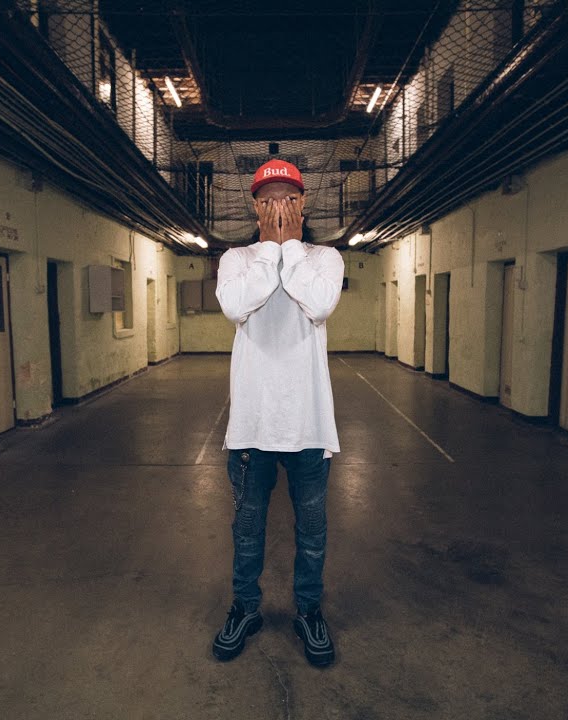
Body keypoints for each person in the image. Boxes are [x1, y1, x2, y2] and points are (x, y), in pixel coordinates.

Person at [210, 159, 344, 668]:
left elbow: (319, 304)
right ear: (254, 208)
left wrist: (289, 247)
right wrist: (269, 247)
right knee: (247, 530)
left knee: (312, 531)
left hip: (308, 425)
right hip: (252, 427)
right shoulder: (237, 259)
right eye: (268, 201)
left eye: (288, 198)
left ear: (304, 204)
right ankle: (245, 608)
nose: (278, 208)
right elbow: (236, 306)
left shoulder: (325, 259)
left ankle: (309, 611)